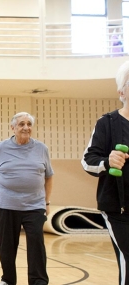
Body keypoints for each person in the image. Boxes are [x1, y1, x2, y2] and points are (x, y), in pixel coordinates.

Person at [0, 112, 53, 285]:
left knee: (37, 245)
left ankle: (38, 281)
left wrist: (47, 202)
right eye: (21, 124)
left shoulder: (41, 149)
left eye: (29, 124)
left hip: (35, 205)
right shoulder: (1, 148)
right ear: (12, 128)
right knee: (7, 247)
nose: (26, 127)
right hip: (7, 204)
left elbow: (49, 176)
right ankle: (7, 280)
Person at [81, 60, 129, 285]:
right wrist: (107, 162)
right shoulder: (108, 123)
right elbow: (87, 160)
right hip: (118, 209)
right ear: (121, 91)